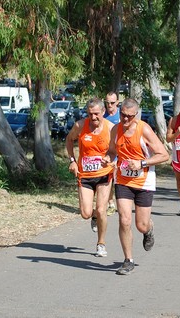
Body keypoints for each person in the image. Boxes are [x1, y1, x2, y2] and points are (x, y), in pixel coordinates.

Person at [102, 98, 169, 275]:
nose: (125, 120)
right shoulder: (116, 130)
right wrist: (107, 159)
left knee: (141, 225)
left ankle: (149, 229)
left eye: (129, 117)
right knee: (124, 219)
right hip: (123, 180)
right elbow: (112, 151)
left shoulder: (144, 129)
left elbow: (164, 155)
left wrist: (142, 163)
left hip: (144, 181)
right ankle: (128, 260)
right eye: (123, 115)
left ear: (136, 116)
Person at [66, 97, 114, 257]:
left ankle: (101, 243)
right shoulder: (80, 126)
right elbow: (68, 140)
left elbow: (118, 149)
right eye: (90, 114)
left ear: (103, 112)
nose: (93, 117)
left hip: (104, 174)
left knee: (102, 210)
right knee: (86, 213)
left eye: (96, 114)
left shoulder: (111, 128)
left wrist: (111, 159)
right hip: (85, 175)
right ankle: (93, 216)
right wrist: (72, 160)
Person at [103, 91, 121, 215]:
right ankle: (110, 203)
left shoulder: (122, 115)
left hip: (122, 150)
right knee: (109, 177)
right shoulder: (102, 115)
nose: (109, 105)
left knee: (119, 178)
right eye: (107, 102)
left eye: (112, 103)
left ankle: (121, 202)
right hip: (108, 151)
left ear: (117, 103)